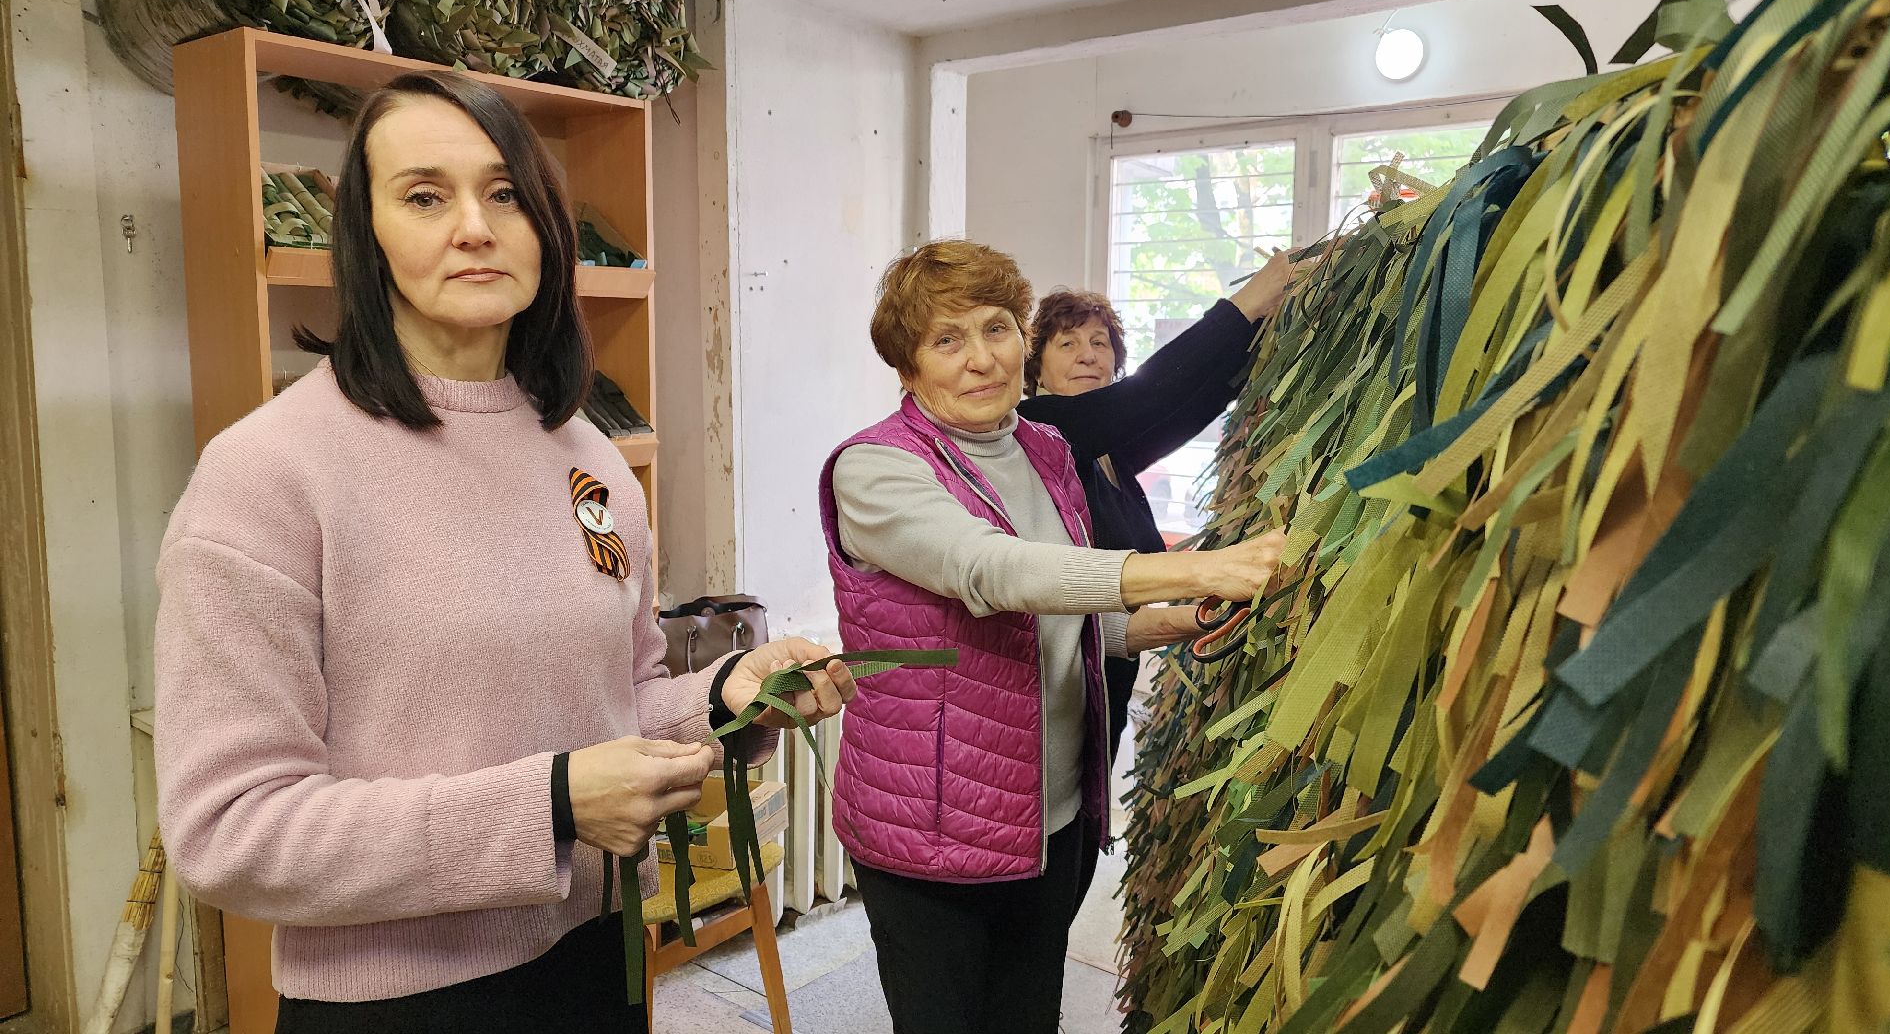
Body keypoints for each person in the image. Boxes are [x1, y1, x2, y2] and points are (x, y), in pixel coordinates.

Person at [154, 70, 855, 1032]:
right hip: (402, 1002)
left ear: (546, 230)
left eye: (505, 193)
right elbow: (229, 828)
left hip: (596, 959)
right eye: (425, 196)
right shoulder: (269, 474)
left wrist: (730, 696)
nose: (474, 227)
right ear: (365, 238)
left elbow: (621, 697)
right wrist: (555, 804)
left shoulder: (588, 456)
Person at [819, 239, 1286, 1034]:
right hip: (936, 830)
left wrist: (1179, 620)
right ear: (907, 369)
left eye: (996, 329)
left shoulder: (1046, 448)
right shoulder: (875, 469)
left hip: (1052, 815)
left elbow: (1078, 621)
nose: (980, 360)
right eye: (946, 340)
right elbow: (996, 572)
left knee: (1028, 1018)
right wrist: (1194, 570)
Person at [1018, 254, 1305, 765]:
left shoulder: (1110, 453)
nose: (1088, 355)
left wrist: (1267, 327)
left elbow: (1194, 400)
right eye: (1068, 343)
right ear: (1035, 367)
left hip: (1104, 686)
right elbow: (1150, 395)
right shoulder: (1036, 429)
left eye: (1099, 343)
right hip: (1043, 699)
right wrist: (1243, 303)